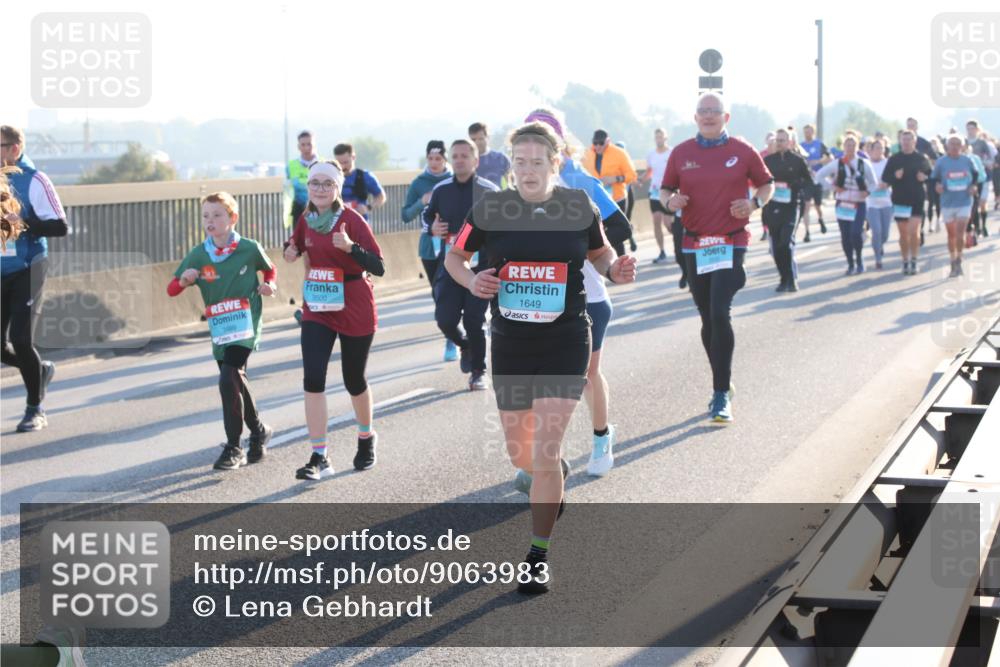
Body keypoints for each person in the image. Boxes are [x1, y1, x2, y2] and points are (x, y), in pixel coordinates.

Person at [445, 122, 636, 594]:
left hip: (566, 338)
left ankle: (537, 554)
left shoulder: (576, 206)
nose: (527, 170)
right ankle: (547, 481)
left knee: (546, 452)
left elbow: (600, 252)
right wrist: (472, 281)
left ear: (555, 163)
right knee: (522, 456)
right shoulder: (491, 208)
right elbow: (454, 258)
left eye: (536, 162)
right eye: (520, 162)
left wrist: (616, 269)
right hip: (510, 342)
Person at [522, 106, 625, 478]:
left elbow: (621, 227)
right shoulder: (519, 187)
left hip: (589, 299)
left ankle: (601, 437)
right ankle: (548, 458)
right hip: (537, 300)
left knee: (581, 376)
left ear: (560, 145)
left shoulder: (582, 183)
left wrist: (595, 253)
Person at [660, 94, 774, 424]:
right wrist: (672, 202)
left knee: (720, 312)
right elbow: (665, 191)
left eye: (714, 112)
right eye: (703, 112)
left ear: (726, 117)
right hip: (695, 244)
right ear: (695, 117)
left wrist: (754, 205)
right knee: (707, 318)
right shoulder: (681, 153)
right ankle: (722, 379)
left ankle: (720, 392)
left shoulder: (742, 150)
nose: (708, 116)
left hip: (731, 240)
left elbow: (767, 184)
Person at [285, 161, 385, 479]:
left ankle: (366, 438)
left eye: (327, 183)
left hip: (354, 302)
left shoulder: (351, 220)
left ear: (338, 188)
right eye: (315, 183)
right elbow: (296, 245)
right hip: (317, 306)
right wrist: (289, 251)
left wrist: (352, 248)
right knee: (313, 378)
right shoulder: (307, 218)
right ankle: (319, 455)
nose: (320, 189)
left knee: (353, 379)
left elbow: (379, 266)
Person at [168, 192, 276, 469]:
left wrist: (269, 286)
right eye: (206, 216)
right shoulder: (199, 254)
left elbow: (270, 269)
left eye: (217, 215)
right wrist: (184, 280)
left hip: (246, 323)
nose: (210, 221)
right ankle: (259, 430)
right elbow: (171, 290)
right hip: (221, 329)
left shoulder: (249, 248)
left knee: (228, 379)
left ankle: (233, 447)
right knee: (236, 379)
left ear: (232, 219)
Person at [1, 125, 66, 432]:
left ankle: (34, 408)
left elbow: (59, 226)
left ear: (14, 149)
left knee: (21, 339)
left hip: (30, 267)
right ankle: (39, 370)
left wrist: (23, 222)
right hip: (1, 269)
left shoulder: (35, 180)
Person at [421, 140, 499, 390]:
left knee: (474, 319)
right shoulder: (442, 190)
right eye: (455, 156)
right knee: (444, 318)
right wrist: (432, 228)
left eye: (465, 156)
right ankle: (464, 345)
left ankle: (479, 371)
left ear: (475, 161)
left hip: (482, 267)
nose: (459, 160)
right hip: (452, 264)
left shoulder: (490, 191)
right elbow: (426, 217)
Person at [401, 140, 455, 360]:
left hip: (453, 244)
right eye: (430, 159)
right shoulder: (419, 183)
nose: (434, 163)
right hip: (428, 246)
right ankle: (451, 330)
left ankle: (452, 340)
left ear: (445, 160)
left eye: (438, 159)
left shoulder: (454, 180)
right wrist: (421, 202)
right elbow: (405, 215)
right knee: (438, 293)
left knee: (451, 291)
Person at [815, 132, 878, 275]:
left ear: (857, 146)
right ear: (843, 147)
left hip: (858, 204)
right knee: (845, 235)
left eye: (853, 145)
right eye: (847, 145)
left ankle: (860, 260)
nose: (850, 148)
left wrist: (867, 192)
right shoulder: (838, 163)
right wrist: (833, 187)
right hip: (843, 203)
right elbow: (819, 176)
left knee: (856, 233)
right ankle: (850, 263)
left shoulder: (864, 164)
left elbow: (874, 184)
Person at [763, 128, 813, 292]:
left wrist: (801, 191)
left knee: (786, 241)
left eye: (783, 140)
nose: (779, 143)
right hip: (773, 206)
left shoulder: (797, 160)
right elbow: (760, 180)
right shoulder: (769, 160)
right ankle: (783, 278)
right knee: (776, 247)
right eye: (777, 140)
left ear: (790, 142)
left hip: (791, 206)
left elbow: (808, 181)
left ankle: (791, 279)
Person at [881, 130, 932, 275]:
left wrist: (924, 177)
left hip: (916, 198)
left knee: (914, 231)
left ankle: (914, 260)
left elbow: (931, 175)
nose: (906, 142)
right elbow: (886, 178)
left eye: (909, 139)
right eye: (904, 140)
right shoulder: (894, 159)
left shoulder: (921, 158)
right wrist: (895, 176)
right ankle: (905, 260)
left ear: (914, 141)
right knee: (903, 234)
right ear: (900, 141)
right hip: (900, 199)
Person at [583, 129, 638, 254]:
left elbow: (632, 175)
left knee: (617, 234)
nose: (597, 146)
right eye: (595, 143)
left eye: (601, 143)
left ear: (608, 141)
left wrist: (615, 178)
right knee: (599, 234)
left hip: (617, 199)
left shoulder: (619, 153)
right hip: (596, 201)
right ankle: (606, 264)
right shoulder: (587, 154)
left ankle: (621, 264)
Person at [933, 135, 980, 277]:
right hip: (947, 202)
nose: (954, 146)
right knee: (951, 235)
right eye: (952, 143)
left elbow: (976, 176)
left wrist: (974, 186)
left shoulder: (967, 160)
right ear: (947, 146)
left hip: (964, 201)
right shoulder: (941, 162)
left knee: (960, 232)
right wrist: (937, 186)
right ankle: (952, 259)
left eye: (957, 144)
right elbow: (934, 178)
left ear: (962, 146)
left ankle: (959, 258)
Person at [641, 128, 673, 264]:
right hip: (654, 192)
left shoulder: (672, 153)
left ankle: (680, 241)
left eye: (661, 137)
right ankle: (662, 251)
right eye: (657, 137)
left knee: (668, 223)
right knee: (656, 220)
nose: (659, 139)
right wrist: (640, 180)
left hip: (668, 191)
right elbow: (649, 171)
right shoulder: (651, 154)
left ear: (666, 138)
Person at [333, 143, 386, 221]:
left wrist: (368, 207)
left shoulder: (365, 176)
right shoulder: (331, 178)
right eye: (339, 163)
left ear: (353, 157)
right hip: (336, 222)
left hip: (360, 222)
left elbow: (381, 197)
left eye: (346, 162)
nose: (342, 166)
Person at [799, 123, 830, 243]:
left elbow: (829, 157)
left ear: (814, 132)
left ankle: (821, 219)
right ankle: (807, 232)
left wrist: (817, 161)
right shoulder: (800, 146)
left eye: (809, 131)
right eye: (806, 132)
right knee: (806, 206)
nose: (807, 134)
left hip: (818, 178)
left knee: (818, 205)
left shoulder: (819, 144)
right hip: (806, 180)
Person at [865, 137, 894, 270]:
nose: (878, 151)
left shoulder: (888, 163)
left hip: (886, 202)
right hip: (871, 203)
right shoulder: (866, 164)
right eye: (876, 148)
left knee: (885, 234)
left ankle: (879, 245)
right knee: (876, 231)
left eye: (881, 148)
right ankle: (878, 257)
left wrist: (886, 184)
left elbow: (894, 179)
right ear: (870, 150)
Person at [967, 120, 996, 236]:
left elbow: (991, 158)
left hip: (983, 176)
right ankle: (977, 226)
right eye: (968, 128)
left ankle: (983, 225)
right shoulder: (963, 142)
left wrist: (982, 162)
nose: (970, 131)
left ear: (977, 129)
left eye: (972, 128)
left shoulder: (982, 143)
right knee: (974, 203)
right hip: (969, 178)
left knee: (982, 202)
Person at [286, 130, 320, 226]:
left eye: (309, 144)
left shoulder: (324, 163)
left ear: (315, 145)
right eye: (303, 145)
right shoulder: (291, 166)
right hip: (299, 210)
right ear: (298, 146)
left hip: (321, 210)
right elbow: (288, 190)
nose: (306, 148)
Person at [468, 122, 511, 188]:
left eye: (480, 139)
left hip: (496, 197)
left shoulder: (501, 158)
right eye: (473, 140)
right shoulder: (465, 160)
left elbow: (510, 183)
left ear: (488, 138)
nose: (477, 142)